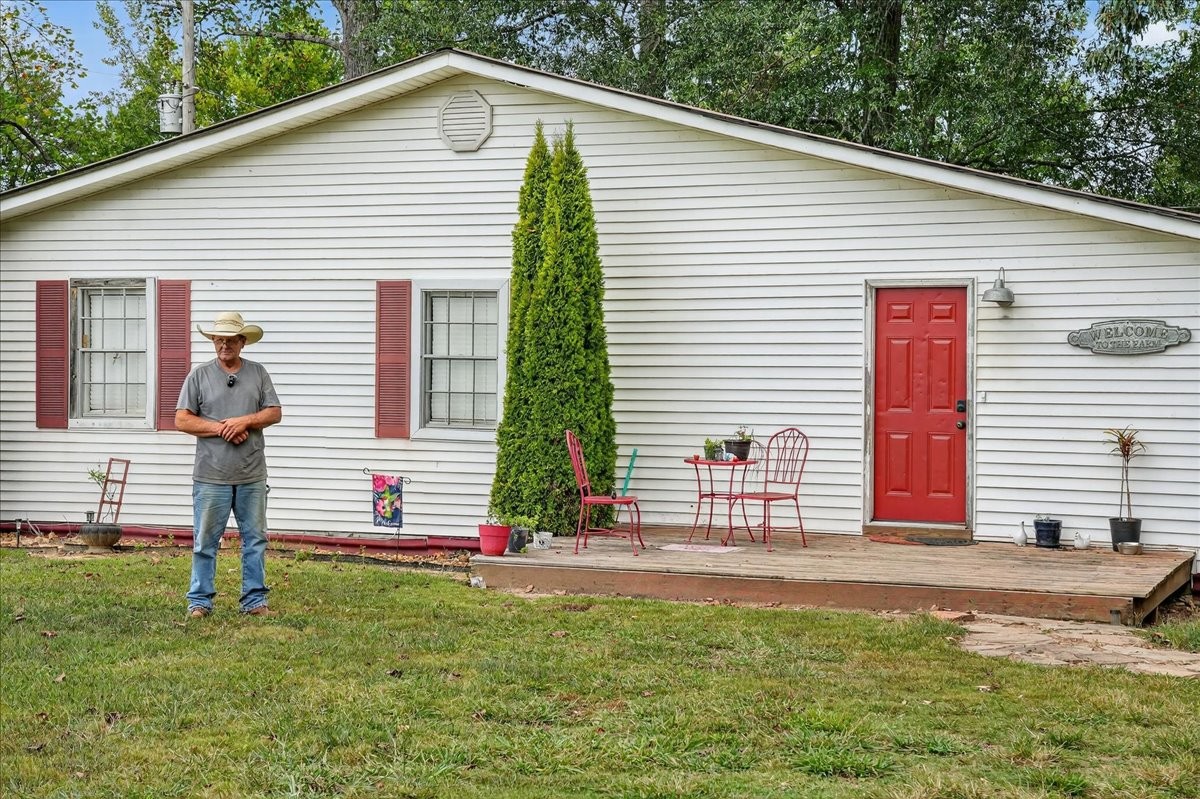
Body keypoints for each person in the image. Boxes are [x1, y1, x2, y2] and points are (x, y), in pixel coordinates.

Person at [177, 312, 282, 618]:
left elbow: (274, 412)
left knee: (255, 540)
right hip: (211, 476)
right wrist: (223, 428)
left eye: (230, 340)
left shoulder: (258, 374)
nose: (224, 345)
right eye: (218, 339)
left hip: (251, 474)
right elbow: (182, 419)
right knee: (205, 542)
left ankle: (254, 601)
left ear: (242, 342)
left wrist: (243, 422)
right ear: (213, 341)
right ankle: (199, 602)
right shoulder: (199, 376)